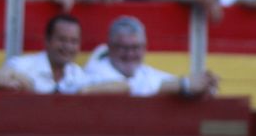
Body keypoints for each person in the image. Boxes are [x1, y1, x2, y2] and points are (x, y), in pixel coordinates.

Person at [81, 14, 219, 96]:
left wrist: (202, 85)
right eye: (123, 48)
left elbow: (162, 81)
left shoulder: (143, 72)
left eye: (135, 47)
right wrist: (185, 84)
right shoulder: (96, 68)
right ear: (110, 47)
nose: (130, 54)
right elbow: (129, 88)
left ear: (144, 48)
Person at [0, 13, 90, 93]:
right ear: (47, 41)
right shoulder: (23, 65)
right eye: (62, 40)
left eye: (74, 41)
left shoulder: (78, 74)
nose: (68, 47)